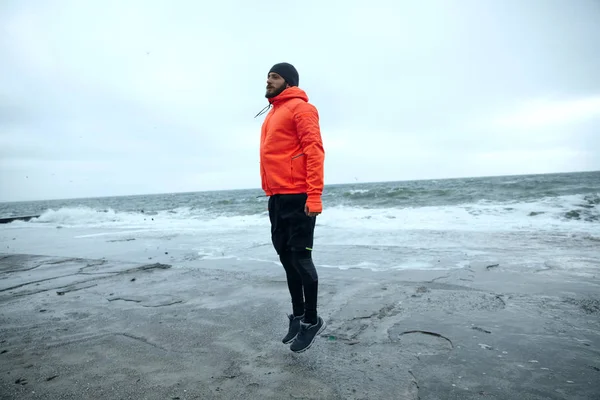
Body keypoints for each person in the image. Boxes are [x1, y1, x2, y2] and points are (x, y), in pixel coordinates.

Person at [257, 62, 326, 353]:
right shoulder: (273, 113)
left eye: (274, 76)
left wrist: (315, 196)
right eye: (268, 77)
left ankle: (312, 320)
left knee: (301, 259)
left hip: (299, 196)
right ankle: (298, 316)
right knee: (286, 259)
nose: (268, 81)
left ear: (288, 81)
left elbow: (314, 150)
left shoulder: (301, 108)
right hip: (278, 197)